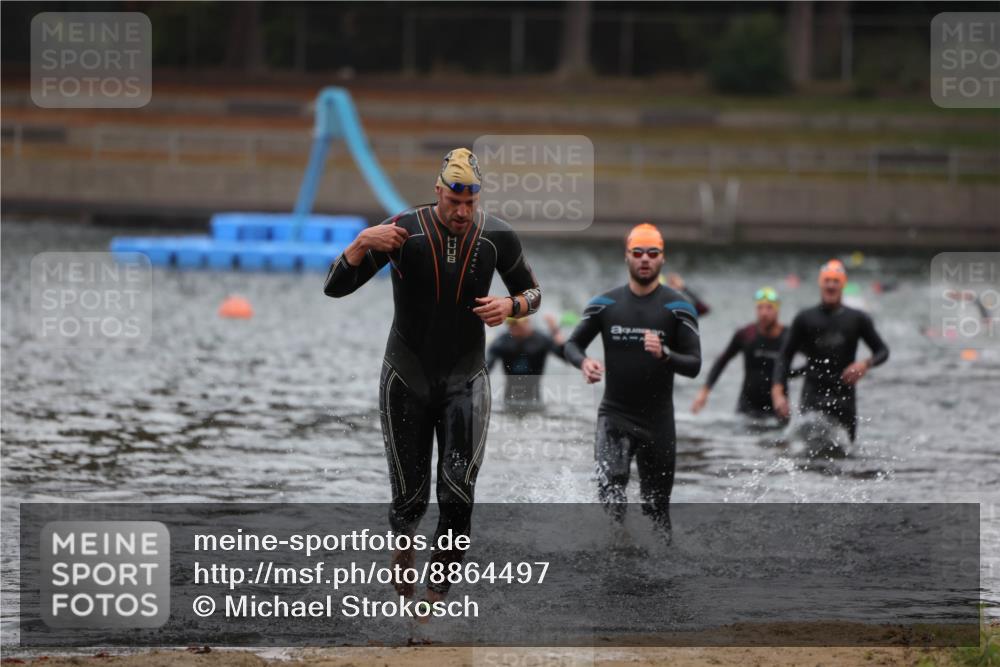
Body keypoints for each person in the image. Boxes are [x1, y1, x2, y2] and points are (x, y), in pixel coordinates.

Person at [323, 148, 541, 604]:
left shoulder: (497, 236)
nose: (462, 212)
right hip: (406, 378)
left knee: (458, 495)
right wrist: (361, 242)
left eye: (470, 203)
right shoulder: (404, 232)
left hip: (466, 380)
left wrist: (511, 306)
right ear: (438, 191)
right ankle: (403, 564)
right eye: (453, 201)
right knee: (410, 500)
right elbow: (334, 287)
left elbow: (532, 292)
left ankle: (433, 603)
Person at [563, 223, 701, 535]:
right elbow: (571, 344)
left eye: (652, 253)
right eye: (637, 253)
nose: (645, 259)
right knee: (611, 495)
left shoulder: (679, 307)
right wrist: (584, 362)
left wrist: (666, 353)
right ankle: (616, 557)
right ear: (627, 257)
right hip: (615, 416)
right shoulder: (605, 304)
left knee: (656, 513)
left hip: (659, 423)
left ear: (662, 259)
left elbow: (694, 365)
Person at [771, 259, 889, 443]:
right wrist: (778, 393)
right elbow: (784, 356)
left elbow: (882, 351)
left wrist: (865, 364)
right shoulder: (804, 318)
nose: (831, 285)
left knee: (846, 453)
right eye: (827, 280)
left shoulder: (857, 319)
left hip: (844, 395)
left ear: (842, 285)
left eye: (836, 281)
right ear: (821, 284)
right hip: (813, 393)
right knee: (806, 453)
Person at [691, 286, 792, 421]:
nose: (764, 313)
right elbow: (722, 361)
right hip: (747, 408)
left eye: (769, 308)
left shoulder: (789, 337)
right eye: (760, 308)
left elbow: (812, 361)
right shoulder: (746, 334)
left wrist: (789, 374)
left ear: (777, 309)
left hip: (778, 409)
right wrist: (704, 392)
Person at [486, 314, 567, 409]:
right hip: (509, 397)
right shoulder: (502, 342)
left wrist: (555, 332)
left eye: (517, 324)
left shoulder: (541, 340)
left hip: (534, 398)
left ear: (527, 323)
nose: (513, 327)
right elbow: (487, 368)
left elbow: (565, 357)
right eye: (511, 324)